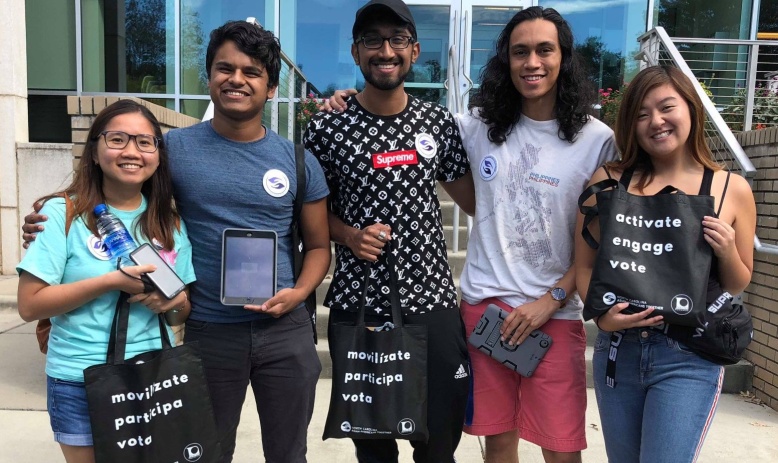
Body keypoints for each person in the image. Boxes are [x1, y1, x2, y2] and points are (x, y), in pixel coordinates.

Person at [24, 21, 331, 463]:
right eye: (225, 68)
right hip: (207, 330)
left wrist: (300, 293)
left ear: (271, 86)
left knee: (288, 453)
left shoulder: (298, 161)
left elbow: (319, 246)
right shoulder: (172, 151)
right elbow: (118, 196)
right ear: (209, 77)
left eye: (251, 71)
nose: (237, 80)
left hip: (285, 332)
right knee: (203, 451)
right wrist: (54, 214)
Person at [303, 1, 475, 462]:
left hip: (432, 301)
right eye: (373, 40)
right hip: (360, 303)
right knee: (373, 446)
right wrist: (349, 235)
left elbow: (477, 203)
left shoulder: (437, 123)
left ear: (415, 50)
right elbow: (309, 216)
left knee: (439, 443)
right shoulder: (326, 127)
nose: (386, 50)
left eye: (397, 39)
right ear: (356, 52)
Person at [455, 7, 616, 463]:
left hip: (556, 314)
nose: (532, 63)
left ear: (564, 57)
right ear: (505, 60)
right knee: (498, 440)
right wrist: (349, 99)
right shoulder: (478, 127)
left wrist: (554, 298)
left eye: (545, 50)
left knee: (561, 447)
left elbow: (600, 240)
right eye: (519, 52)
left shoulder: (595, 139)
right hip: (486, 308)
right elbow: (409, 128)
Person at [574, 65, 756, 463]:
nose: (655, 121)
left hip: (687, 356)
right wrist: (602, 318)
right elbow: (585, 266)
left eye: (666, 107)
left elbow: (738, 281)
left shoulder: (731, 188)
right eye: (641, 114)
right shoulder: (608, 181)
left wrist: (726, 251)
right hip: (618, 351)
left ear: (691, 108)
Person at [17, 99, 196, 463]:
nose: (132, 151)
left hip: (154, 376)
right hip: (79, 379)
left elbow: (181, 312)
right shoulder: (62, 214)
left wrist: (171, 303)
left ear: (158, 157)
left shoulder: (169, 224)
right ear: (95, 153)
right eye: (117, 139)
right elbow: (30, 304)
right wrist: (112, 281)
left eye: (145, 142)